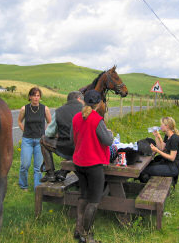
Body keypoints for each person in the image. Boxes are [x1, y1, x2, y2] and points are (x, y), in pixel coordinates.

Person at [71, 89, 113, 243]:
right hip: (93, 164)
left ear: (84, 101)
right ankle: (86, 236)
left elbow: (72, 137)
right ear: (98, 103)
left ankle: (78, 230)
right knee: (94, 201)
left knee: (84, 195)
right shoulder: (97, 119)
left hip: (79, 162)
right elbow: (108, 141)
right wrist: (110, 133)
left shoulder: (76, 117)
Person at [40, 91, 84, 182]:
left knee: (43, 140)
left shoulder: (59, 111)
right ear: (79, 99)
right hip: (83, 149)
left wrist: (58, 134)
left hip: (66, 148)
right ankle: (63, 171)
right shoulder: (86, 110)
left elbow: (49, 133)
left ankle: (50, 173)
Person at [18, 87, 51, 191]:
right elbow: (19, 121)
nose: (36, 98)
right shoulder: (24, 109)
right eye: (34, 95)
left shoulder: (45, 109)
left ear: (40, 97)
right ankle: (23, 186)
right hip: (27, 140)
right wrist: (25, 131)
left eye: (38, 95)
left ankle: (37, 188)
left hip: (39, 141)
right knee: (25, 165)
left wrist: (44, 133)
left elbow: (50, 122)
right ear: (30, 97)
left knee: (38, 167)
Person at [140, 117, 179, 182]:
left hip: (173, 167)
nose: (160, 126)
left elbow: (172, 158)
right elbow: (162, 148)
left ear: (167, 126)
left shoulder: (174, 139)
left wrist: (157, 150)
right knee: (146, 167)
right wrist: (156, 136)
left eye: (162, 124)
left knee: (145, 170)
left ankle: (149, 186)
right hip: (167, 163)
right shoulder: (168, 136)